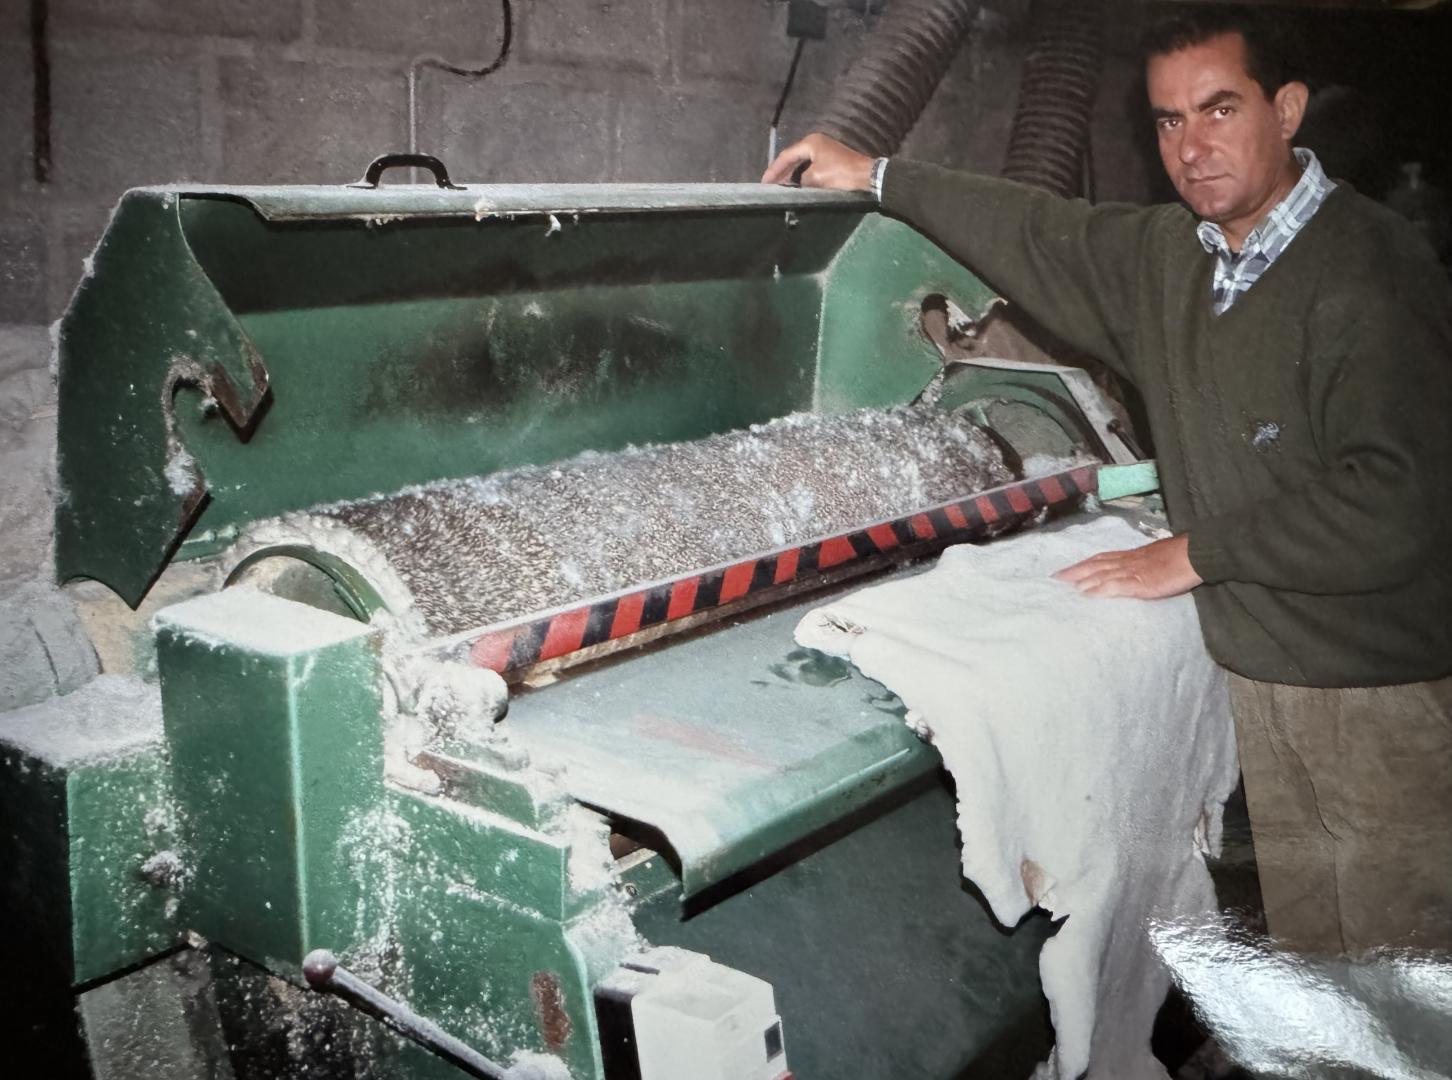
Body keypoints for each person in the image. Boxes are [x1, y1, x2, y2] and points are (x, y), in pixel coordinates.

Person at [764, 5, 1452, 957]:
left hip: (1372, 698)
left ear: (1286, 109)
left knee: (1401, 995)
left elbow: (1398, 500)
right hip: (1273, 682)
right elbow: (1042, 229)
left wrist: (1194, 553)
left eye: (1219, 110)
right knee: (1324, 982)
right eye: (1169, 121)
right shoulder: (1180, 259)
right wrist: (876, 175)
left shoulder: (1372, 268)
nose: (1193, 148)